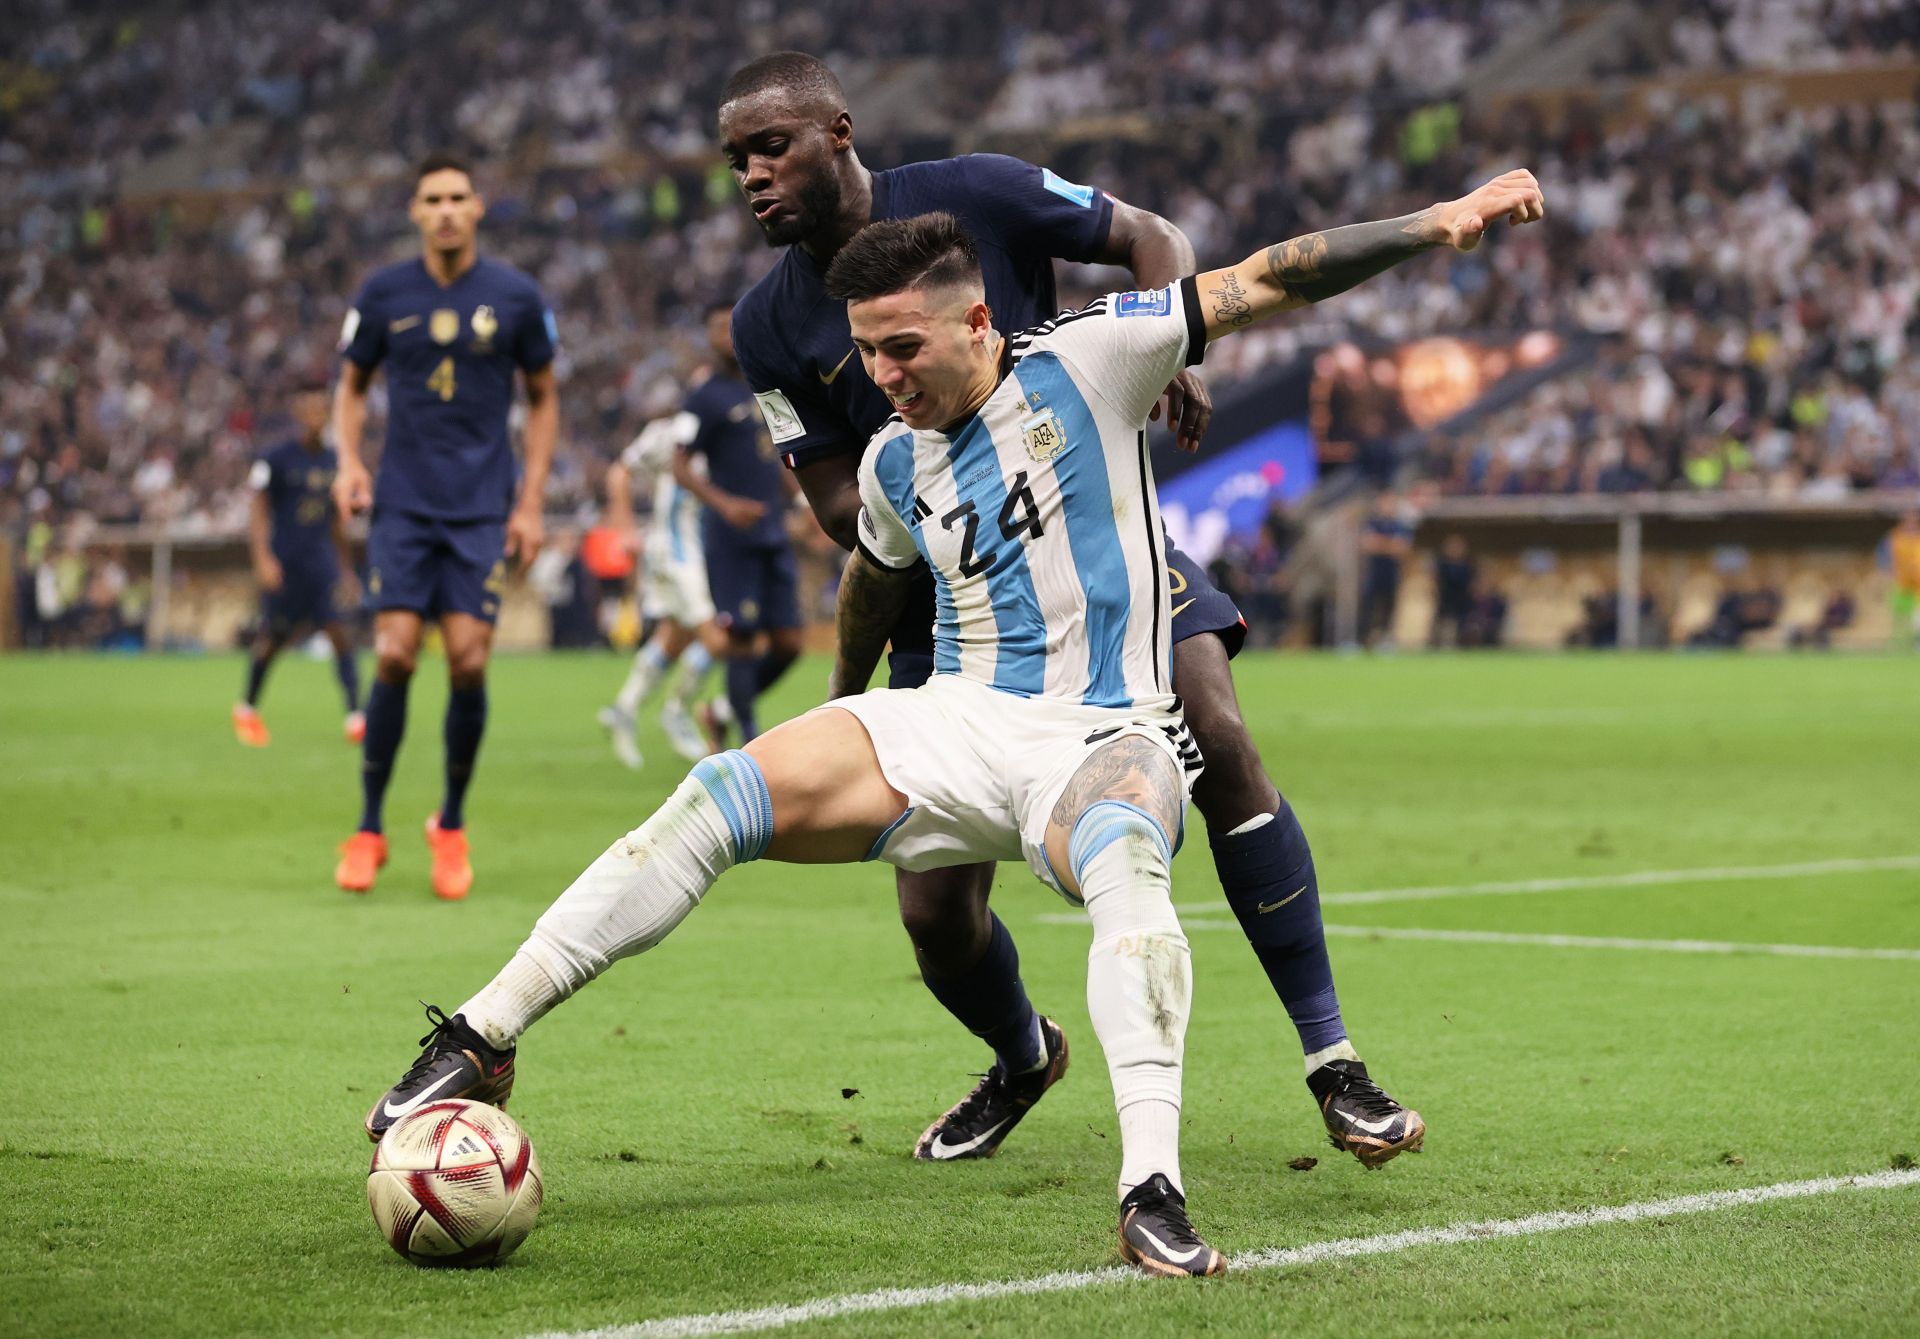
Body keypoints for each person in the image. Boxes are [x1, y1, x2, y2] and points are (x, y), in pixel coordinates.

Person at [364, 179, 1546, 1273]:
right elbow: (876, 581)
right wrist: (842, 698)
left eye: (902, 347)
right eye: (866, 350)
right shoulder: (892, 461)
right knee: (718, 790)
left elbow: (1274, 274)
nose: (879, 372)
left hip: (1101, 732)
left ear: (978, 322)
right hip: (952, 718)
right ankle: (484, 1032)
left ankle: (1152, 1186)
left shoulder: (1099, 357)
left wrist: (1437, 222)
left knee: (1133, 875)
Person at [718, 51, 1412, 1167]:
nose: (751, 174)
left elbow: (1150, 236)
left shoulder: (983, 189)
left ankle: (1335, 1065)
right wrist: (936, 473)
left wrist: (1170, 348)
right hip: (946, 598)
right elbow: (836, 503)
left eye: (770, 146)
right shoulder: (763, 328)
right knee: (935, 917)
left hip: (1093, 541)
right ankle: (1023, 1053)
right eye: (735, 159)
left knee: (1221, 736)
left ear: (838, 129)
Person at [329, 152, 560, 900]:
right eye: (434, 198)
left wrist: (529, 503)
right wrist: (349, 463)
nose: (447, 209)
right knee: (394, 653)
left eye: (459, 196)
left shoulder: (517, 297)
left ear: (478, 206)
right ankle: (367, 827)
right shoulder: (382, 291)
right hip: (402, 501)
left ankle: (450, 823)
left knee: (467, 662)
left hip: (480, 507)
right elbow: (352, 385)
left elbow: (545, 398)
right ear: (415, 210)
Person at [670, 301, 805, 747]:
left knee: (790, 643)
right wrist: (725, 505)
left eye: (731, 324)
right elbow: (680, 465)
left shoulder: (767, 387)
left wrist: (804, 503)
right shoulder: (703, 397)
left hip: (772, 530)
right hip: (731, 536)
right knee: (742, 640)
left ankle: (722, 710)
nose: (725, 334)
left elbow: (782, 455)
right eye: (715, 327)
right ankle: (748, 742)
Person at [232, 382, 363, 747]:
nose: (316, 416)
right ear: (298, 413)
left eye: (323, 409)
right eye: (310, 409)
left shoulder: (334, 461)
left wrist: (347, 569)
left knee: (340, 633)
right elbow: (258, 511)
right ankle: (246, 708)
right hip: (286, 562)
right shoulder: (276, 459)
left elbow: (337, 523)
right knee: (273, 639)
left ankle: (357, 715)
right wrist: (262, 558)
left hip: (321, 563)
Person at [598, 414, 726, 768]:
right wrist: (624, 528)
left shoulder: (732, 424)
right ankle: (678, 710)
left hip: (702, 551)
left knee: (674, 637)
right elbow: (619, 472)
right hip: (677, 552)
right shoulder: (670, 431)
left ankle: (623, 710)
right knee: (719, 637)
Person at [1890, 507, 1920, 652]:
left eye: (1914, 521)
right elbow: (1891, 558)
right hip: (1902, 582)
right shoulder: (1897, 537)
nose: (1911, 523)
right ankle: (1900, 642)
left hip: (1918, 582)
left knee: (1917, 614)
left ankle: (1916, 641)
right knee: (1900, 613)